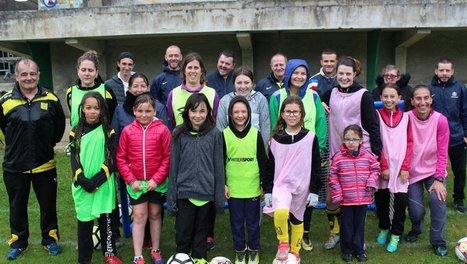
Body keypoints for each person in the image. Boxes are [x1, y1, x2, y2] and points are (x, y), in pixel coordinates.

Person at [0, 58, 65, 260]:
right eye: (24, 74)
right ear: (16, 76)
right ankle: (18, 241)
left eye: (32, 74)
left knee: (48, 205)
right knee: (17, 206)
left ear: (38, 75)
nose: (29, 78)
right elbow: (2, 131)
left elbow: (59, 128)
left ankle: (50, 239)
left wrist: (47, 146)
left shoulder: (51, 99)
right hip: (15, 166)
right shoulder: (5, 101)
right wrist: (13, 148)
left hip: (44, 164)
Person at [321, 56, 382, 250]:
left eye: (348, 73)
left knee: (355, 200)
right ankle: (336, 231)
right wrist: (319, 103)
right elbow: (314, 98)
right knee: (332, 197)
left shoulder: (364, 95)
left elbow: (373, 125)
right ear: (335, 73)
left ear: (355, 74)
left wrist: (376, 153)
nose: (344, 77)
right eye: (341, 73)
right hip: (336, 153)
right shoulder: (330, 92)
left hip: (358, 156)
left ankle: (357, 238)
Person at [167, 93, 225, 264]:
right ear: (187, 113)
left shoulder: (215, 134)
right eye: (193, 111)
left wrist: (218, 199)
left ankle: (200, 259)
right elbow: (174, 167)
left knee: (201, 234)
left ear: (208, 112)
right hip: (184, 193)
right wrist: (172, 199)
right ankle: (182, 258)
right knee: (183, 234)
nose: (198, 115)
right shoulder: (178, 134)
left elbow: (219, 167)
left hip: (206, 194)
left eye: (202, 111)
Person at [263, 96, 322, 263]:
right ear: (282, 114)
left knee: (297, 219)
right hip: (282, 185)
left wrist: (315, 190)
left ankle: (295, 253)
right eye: (288, 111)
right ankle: (283, 242)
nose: (292, 115)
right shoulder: (275, 139)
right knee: (281, 212)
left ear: (302, 114)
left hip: (302, 186)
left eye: (296, 111)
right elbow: (270, 167)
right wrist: (267, 190)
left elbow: (316, 165)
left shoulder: (310, 137)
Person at [117, 93, 171, 264]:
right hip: (136, 184)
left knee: (155, 214)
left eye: (148, 110)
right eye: (140, 110)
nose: (144, 114)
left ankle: (155, 250)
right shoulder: (127, 131)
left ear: (155, 111)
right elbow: (121, 158)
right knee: (140, 216)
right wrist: (131, 180)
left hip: (157, 183)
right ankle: (138, 255)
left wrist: (156, 179)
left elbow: (167, 158)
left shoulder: (163, 130)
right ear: (134, 111)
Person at [69, 92, 122, 264]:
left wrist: (97, 181)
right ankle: (84, 259)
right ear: (82, 110)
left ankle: (110, 255)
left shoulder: (108, 131)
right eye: (89, 108)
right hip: (82, 185)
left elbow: (111, 159)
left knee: (107, 222)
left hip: (103, 185)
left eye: (96, 108)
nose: (92, 111)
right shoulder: (75, 132)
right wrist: (82, 180)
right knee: (84, 226)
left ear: (102, 110)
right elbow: (74, 158)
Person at [405, 85, 450, 257]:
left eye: (426, 98)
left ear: (431, 99)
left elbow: (442, 151)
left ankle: (438, 241)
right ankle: (417, 228)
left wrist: (439, 179)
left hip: (433, 171)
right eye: (418, 98)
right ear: (412, 101)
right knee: (416, 212)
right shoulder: (406, 118)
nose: (422, 102)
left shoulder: (440, 120)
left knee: (437, 200)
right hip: (412, 171)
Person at [223, 96, 267, 264]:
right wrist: (224, 184)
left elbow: (262, 161)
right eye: (236, 112)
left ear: (248, 113)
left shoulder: (256, 134)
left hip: (252, 187)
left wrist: (263, 183)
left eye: (243, 111)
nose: (240, 115)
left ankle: (254, 249)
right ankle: (240, 249)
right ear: (230, 114)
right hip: (234, 188)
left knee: (253, 222)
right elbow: (221, 161)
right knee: (236, 222)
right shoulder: (224, 135)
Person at [329, 124, 380, 263]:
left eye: (354, 139)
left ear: (361, 141)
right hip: (346, 200)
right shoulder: (338, 158)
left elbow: (376, 170)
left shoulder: (369, 156)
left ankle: (359, 250)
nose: (351, 142)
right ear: (343, 140)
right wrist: (337, 194)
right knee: (346, 226)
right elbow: (332, 177)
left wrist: (371, 183)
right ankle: (346, 250)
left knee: (359, 226)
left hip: (363, 199)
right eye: (348, 139)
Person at [374, 83, 413, 253]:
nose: (389, 100)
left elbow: (410, 143)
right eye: (385, 96)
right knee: (381, 201)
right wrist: (383, 166)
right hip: (383, 167)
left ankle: (396, 234)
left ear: (399, 98)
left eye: (392, 96)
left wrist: (405, 167)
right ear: (381, 98)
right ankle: (383, 228)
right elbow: (376, 142)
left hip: (400, 167)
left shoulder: (406, 118)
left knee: (400, 203)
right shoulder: (375, 115)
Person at [429, 58, 467, 213]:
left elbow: (465, 112)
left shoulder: (460, 88)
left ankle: (459, 199)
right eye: (441, 70)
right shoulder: (429, 89)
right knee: (433, 170)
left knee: (460, 171)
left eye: (447, 70)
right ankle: (433, 195)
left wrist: (465, 133)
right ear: (436, 71)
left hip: (456, 138)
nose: (444, 73)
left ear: (452, 72)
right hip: (435, 139)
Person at [269, 59, 327, 152]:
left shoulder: (314, 96)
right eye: (295, 73)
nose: (299, 77)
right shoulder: (277, 97)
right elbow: (273, 125)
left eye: (303, 74)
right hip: (284, 149)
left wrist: (319, 148)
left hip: (309, 149)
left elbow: (321, 124)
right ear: (288, 74)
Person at [216, 67, 270, 148]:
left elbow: (265, 128)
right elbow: (220, 129)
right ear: (234, 84)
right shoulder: (224, 101)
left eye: (247, 82)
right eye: (239, 83)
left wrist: (263, 152)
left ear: (252, 84)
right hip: (231, 149)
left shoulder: (260, 99)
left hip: (254, 148)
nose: (243, 86)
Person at [166, 52, 219, 129]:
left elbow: (214, 120)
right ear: (184, 70)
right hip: (181, 139)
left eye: (196, 68)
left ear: (202, 71)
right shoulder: (173, 94)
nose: (193, 71)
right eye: (190, 67)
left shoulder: (212, 94)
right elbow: (173, 121)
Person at [67, 50, 117, 128]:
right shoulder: (71, 92)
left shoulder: (105, 90)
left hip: (101, 137)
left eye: (90, 70)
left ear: (96, 72)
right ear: (78, 71)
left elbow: (113, 115)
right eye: (83, 70)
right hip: (77, 137)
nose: (87, 74)